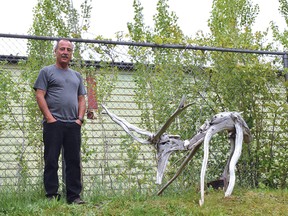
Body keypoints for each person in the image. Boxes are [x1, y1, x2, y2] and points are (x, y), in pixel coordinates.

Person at [34, 39, 86, 204]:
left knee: (73, 161)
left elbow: (82, 99)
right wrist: (50, 118)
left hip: (73, 124)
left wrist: (79, 119)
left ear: (71, 54)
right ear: (55, 52)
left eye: (68, 50)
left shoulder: (76, 76)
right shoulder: (46, 72)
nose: (65, 52)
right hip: (53, 124)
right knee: (51, 160)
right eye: (62, 49)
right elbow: (39, 95)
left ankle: (74, 197)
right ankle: (51, 196)